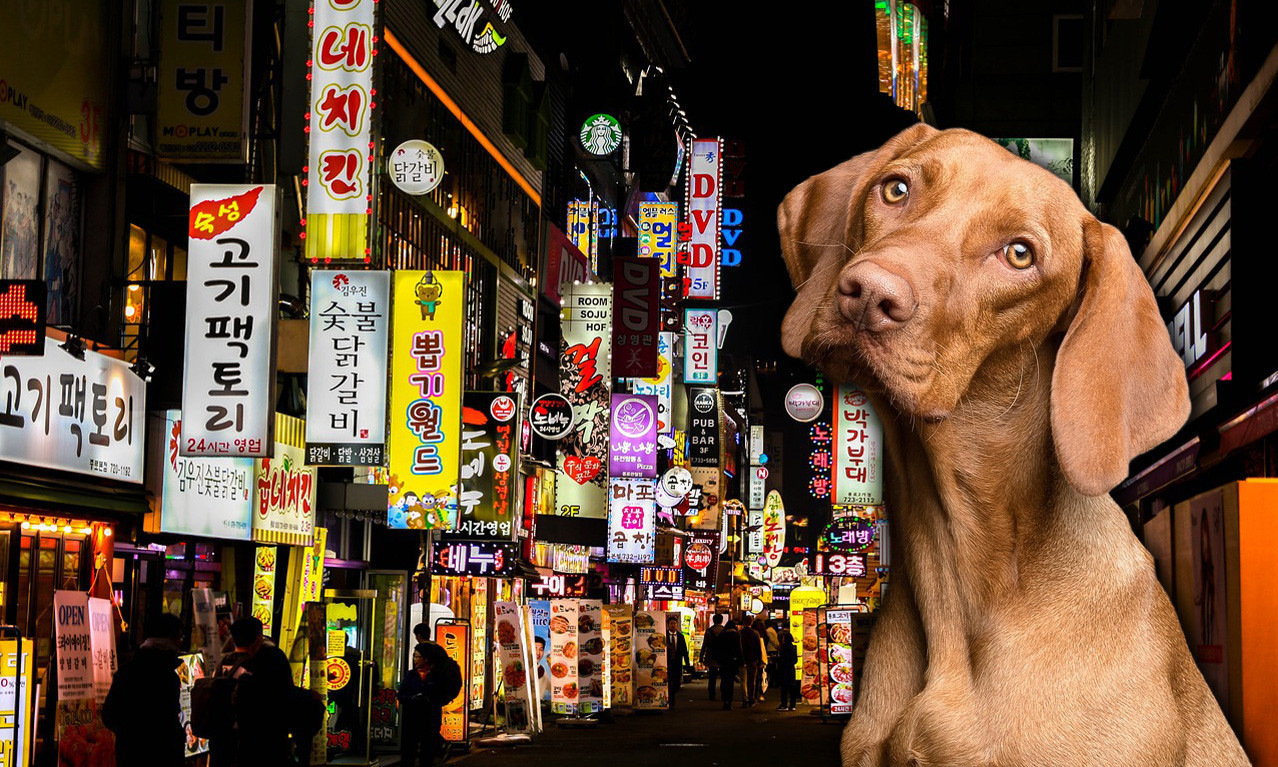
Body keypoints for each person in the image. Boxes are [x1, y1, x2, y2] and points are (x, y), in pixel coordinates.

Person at [101, 613, 184, 767]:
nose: (180, 643)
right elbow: (167, 723)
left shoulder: (126, 672)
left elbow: (108, 715)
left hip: (130, 754)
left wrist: (128, 734)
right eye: (179, 638)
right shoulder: (167, 677)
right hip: (161, 755)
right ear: (171, 640)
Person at [216, 617, 297, 767]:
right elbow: (287, 692)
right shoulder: (272, 658)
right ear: (258, 636)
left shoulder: (224, 662)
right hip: (265, 736)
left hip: (227, 735)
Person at [399, 641, 464, 767]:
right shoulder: (411, 675)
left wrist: (429, 699)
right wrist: (412, 699)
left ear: (426, 658)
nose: (415, 659)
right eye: (414, 656)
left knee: (427, 753)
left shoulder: (438, 676)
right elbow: (401, 695)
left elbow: (442, 695)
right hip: (411, 719)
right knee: (408, 753)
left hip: (429, 719)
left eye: (417, 656)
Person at [713, 619, 743, 710]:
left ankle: (724, 699)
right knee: (730, 682)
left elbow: (717, 648)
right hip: (732, 662)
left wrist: (718, 661)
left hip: (723, 662)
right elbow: (739, 649)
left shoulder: (722, 635)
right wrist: (740, 661)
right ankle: (729, 701)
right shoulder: (736, 636)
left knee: (724, 680)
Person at [699, 614, 726, 700]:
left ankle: (712, 694)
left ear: (713, 620)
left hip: (711, 656)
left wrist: (701, 656)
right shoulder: (724, 631)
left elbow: (704, 645)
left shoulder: (709, 631)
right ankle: (723, 693)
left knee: (712, 677)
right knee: (723, 676)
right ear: (721, 620)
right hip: (722, 657)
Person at [665, 615, 690, 708]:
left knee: (677, 684)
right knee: (669, 681)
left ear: (677, 625)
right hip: (668, 663)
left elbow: (684, 650)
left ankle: (671, 694)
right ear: (668, 625)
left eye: (674, 623)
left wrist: (687, 663)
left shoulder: (680, 636)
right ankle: (671, 700)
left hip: (677, 662)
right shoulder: (664, 635)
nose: (673, 625)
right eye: (671, 623)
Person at [738, 618, 763, 707]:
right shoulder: (755, 633)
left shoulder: (740, 633)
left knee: (743, 680)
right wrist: (760, 660)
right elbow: (758, 648)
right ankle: (751, 698)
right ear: (751, 623)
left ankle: (745, 699)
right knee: (751, 680)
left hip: (742, 659)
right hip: (752, 660)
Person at [776, 628, 799, 711]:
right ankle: (792, 705)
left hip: (784, 669)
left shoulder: (784, 648)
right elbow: (795, 660)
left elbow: (782, 659)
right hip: (791, 669)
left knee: (784, 687)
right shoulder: (793, 647)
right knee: (792, 688)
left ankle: (784, 704)